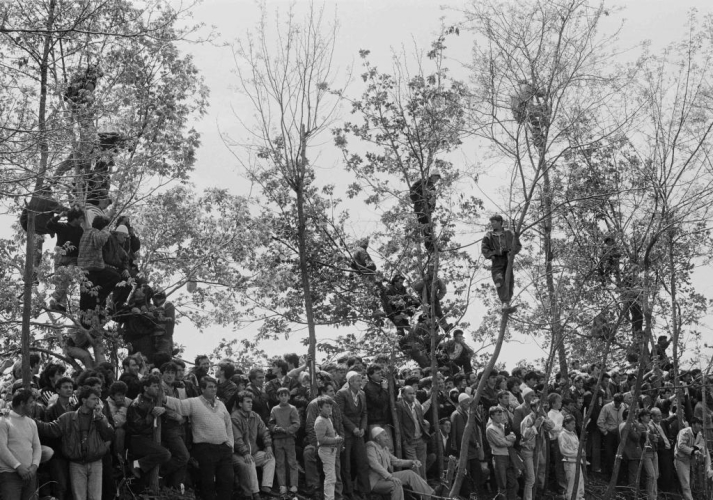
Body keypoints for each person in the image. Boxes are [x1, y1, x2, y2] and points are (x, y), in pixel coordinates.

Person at [36, 386, 115, 500]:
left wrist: (100, 417)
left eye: (98, 399)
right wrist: (32, 422)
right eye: (93, 399)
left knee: (96, 497)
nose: (97, 402)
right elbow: (50, 429)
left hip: (96, 461)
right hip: (76, 463)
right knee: (79, 497)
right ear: (83, 400)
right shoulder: (68, 417)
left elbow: (109, 434)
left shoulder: (99, 417)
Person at [162, 376, 234, 500]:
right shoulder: (194, 402)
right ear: (202, 389)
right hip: (205, 449)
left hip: (223, 448)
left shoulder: (221, 404)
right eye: (210, 387)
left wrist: (230, 443)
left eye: (215, 387)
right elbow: (178, 404)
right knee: (207, 482)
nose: (214, 389)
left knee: (227, 480)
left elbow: (228, 424)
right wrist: (163, 398)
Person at [366, 426, 434, 500]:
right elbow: (375, 465)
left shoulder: (384, 449)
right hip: (376, 482)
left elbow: (396, 461)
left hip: (386, 478)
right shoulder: (370, 446)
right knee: (396, 484)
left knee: (410, 474)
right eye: (385, 435)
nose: (387, 438)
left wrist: (412, 462)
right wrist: (390, 477)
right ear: (377, 438)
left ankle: (431, 496)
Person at [126, 375, 172, 484]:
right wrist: (152, 414)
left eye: (158, 386)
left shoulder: (154, 400)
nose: (157, 388)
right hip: (138, 439)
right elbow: (137, 426)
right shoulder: (137, 403)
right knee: (165, 454)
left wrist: (163, 410)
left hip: (149, 438)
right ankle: (135, 465)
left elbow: (170, 412)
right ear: (146, 388)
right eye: (154, 386)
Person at [232, 390, 276, 500]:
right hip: (239, 454)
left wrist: (268, 445)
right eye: (247, 402)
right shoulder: (235, 417)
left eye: (251, 402)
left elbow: (264, 431)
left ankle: (266, 487)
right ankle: (255, 492)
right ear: (240, 404)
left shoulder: (254, 416)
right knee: (249, 461)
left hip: (253, 452)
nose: (250, 404)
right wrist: (245, 452)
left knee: (269, 458)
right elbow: (237, 439)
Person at [0, 389, 42, 500]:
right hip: (10, 475)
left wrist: (34, 466)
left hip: (30, 475)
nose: (34, 405)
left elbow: (37, 446)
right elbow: (1, 448)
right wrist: (18, 466)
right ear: (22, 403)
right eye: (31, 402)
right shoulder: (3, 421)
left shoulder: (31, 422)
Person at [335, 371, 370, 500]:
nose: (360, 383)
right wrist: (353, 428)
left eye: (360, 380)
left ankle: (364, 490)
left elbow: (364, 413)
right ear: (350, 382)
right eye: (357, 381)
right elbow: (340, 414)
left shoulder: (362, 394)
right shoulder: (341, 394)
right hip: (346, 432)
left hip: (359, 432)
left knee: (362, 462)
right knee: (346, 464)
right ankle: (348, 491)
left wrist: (362, 428)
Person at [47, 207, 85, 312]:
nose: (82, 221)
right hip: (60, 257)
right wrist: (59, 215)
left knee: (66, 278)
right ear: (75, 218)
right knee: (60, 280)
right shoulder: (62, 226)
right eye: (81, 218)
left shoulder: (80, 230)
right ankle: (62, 305)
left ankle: (54, 298)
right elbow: (49, 225)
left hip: (73, 259)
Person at [481, 214, 521, 311]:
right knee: (498, 280)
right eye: (491, 222)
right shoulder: (489, 235)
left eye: (494, 222)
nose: (492, 224)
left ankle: (507, 303)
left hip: (508, 258)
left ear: (500, 222)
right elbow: (484, 248)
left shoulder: (509, 233)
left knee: (509, 280)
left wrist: (512, 251)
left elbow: (517, 245)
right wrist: (492, 255)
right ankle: (504, 302)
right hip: (497, 260)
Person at [520, 396, 554, 500]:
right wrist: (535, 425)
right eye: (540, 406)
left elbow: (551, 426)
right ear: (534, 408)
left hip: (538, 450)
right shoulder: (528, 419)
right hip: (528, 450)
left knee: (540, 472)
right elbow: (525, 435)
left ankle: (539, 494)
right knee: (531, 478)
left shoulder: (541, 418)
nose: (542, 408)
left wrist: (545, 416)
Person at [269, 387, 300, 497]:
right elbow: (271, 423)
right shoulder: (274, 409)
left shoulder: (292, 409)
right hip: (278, 439)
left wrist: (287, 430)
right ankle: (282, 485)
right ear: (277, 397)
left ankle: (293, 484)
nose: (283, 397)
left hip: (289, 439)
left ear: (288, 396)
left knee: (292, 462)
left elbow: (296, 423)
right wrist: (275, 429)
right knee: (280, 462)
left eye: (285, 395)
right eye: (281, 395)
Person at [395, 385, 430, 477]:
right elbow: (399, 424)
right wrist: (404, 440)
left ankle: (425, 488)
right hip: (409, 440)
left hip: (420, 439)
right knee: (415, 467)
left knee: (422, 466)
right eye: (409, 393)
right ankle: (418, 489)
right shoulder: (399, 406)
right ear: (403, 395)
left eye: (414, 393)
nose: (412, 395)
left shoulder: (417, 405)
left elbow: (421, 421)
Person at [486, 406, 518, 500]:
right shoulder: (490, 429)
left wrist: (506, 440)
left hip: (508, 456)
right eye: (498, 415)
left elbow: (514, 437)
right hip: (499, 457)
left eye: (501, 414)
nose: (500, 417)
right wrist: (508, 440)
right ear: (492, 416)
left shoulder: (504, 426)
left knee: (512, 482)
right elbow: (499, 443)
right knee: (502, 484)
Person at [315, 396, 343, 500]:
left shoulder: (328, 419)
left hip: (332, 450)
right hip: (326, 451)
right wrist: (335, 440)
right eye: (327, 406)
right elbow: (321, 439)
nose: (329, 409)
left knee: (332, 477)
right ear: (320, 408)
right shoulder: (320, 421)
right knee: (330, 477)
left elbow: (331, 434)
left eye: (330, 406)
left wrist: (336, 438)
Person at [674, 416, 708, 500]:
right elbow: (681, 446)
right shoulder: (684, 432)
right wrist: (693, 451)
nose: (700, 426)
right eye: (699, 424)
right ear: (693, 424)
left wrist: (695, 448)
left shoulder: (699, 434)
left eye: (701, 424)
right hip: (681, 459)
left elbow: (702, 443)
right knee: (685, 484)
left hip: (691, 460)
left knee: (691, 482)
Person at [412, 263, 449, 331]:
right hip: (425, 300)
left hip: (435, 299)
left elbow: (443, 289)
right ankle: (426, 329)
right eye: (431, 270)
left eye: (434, 271)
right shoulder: (423, 278)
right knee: (427, 315)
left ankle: (446, 328)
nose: (433, 272)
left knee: (439, 314)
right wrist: (424, 280)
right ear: (428, 271)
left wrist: (439, 296)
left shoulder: (437, 280)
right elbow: (416, 287)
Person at [364, 364, 392, 451]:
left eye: (381, 373)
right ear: (370, 375)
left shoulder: (382, 384)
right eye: (377, 373)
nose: (380, 375)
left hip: (384, 420)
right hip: (375, 421)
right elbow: (379, 402)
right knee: (377, 448)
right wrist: (384, 390)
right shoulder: (369, 387)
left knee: (389, 447)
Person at [597, 393, 626, 476]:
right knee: (609, 455)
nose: (618, 405)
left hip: (619, 434)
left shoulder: (624, 407)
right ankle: (609, 474)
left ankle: (619, 475)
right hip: (610, 434)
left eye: (619, 403)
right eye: (617, 403)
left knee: (619, 454)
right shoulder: (607, 407)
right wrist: (606, 432)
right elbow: (600, 421)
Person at [558, 414, 585, 500]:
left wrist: (581, 452)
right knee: (572, 485)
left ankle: (580, 497)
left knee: (580, 482)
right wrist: (578, 453)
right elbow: (564, 450)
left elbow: (578, 446)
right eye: (572, 423)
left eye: (574, 423)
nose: (574, 426)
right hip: (570, 462)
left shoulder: (573, 434)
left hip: (577, 461)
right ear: (566, 423)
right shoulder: (562, 435)